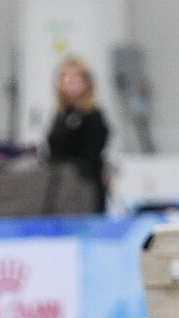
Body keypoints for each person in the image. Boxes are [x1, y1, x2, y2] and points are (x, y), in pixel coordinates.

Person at [43, 55, 109, 215]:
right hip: (58, 183)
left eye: (74, 77)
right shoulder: (61, 115)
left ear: (86, 82)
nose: (69, 81)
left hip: (84, 185)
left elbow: (92, 154)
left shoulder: (93, 116)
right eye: (64, 77)